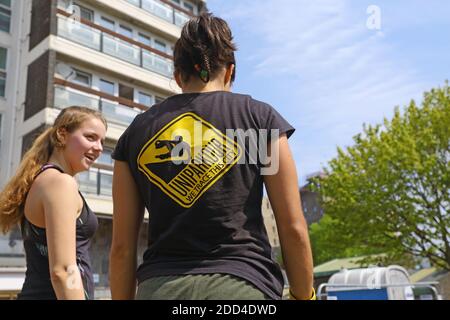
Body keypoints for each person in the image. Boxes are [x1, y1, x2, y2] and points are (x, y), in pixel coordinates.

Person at [109, 12, 314, 300]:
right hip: (244, 286)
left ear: (178, 76)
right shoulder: (260, 118)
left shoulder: (135, 133)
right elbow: (292, 226)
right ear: (230, 71)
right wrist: (305, 296)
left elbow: (121, 248)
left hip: (160, 289)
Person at [0, 106, 107, 300]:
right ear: (62, 135)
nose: (99, 147)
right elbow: (63, 271)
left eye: (102, 141)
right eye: (91, 137)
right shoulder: (61, 183)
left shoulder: (44, 180)